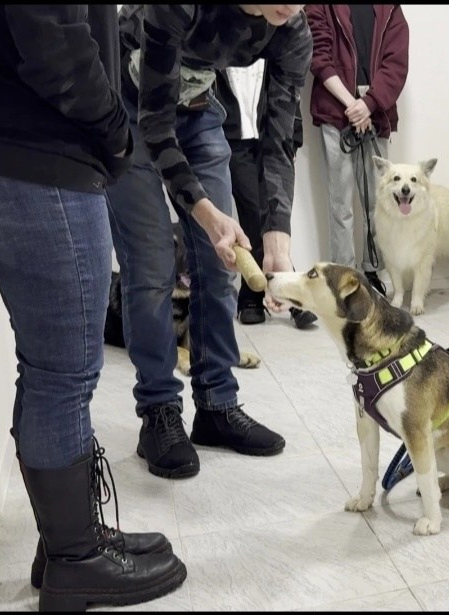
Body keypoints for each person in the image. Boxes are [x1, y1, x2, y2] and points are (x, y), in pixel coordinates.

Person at [0, 5, 186, 610]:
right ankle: (78, 562)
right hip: (29, 147)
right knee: (63, 374)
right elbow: (53, 42)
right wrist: (117, 130)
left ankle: (69, 539)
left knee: (52, 368)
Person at [107, 4, 311, 479]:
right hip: (131, 112)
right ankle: (158, 412)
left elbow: (280, 138)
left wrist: (276, 238)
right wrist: (204, 213)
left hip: (198, 110)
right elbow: (156, 126)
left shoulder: (292, 29)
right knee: (152, 264)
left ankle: (217, 404)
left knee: (222, 265)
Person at [305, 5, 410, 296]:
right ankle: (344, 278)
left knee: (379, 201)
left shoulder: (390, 9)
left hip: (377, 110)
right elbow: (318, 54)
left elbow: (396, 63)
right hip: (336, 108)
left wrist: (369, 104)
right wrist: (352, 104)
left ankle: (373, 271)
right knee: (340, 202)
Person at [214, 59, 318, 329]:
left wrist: (293, 139)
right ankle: (286, 290)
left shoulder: (279, 39)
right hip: (233, 138)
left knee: (274, 214)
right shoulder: (214, 35)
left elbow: (289, 94)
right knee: (253, 214)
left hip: (271, 134)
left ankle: (252, 296)